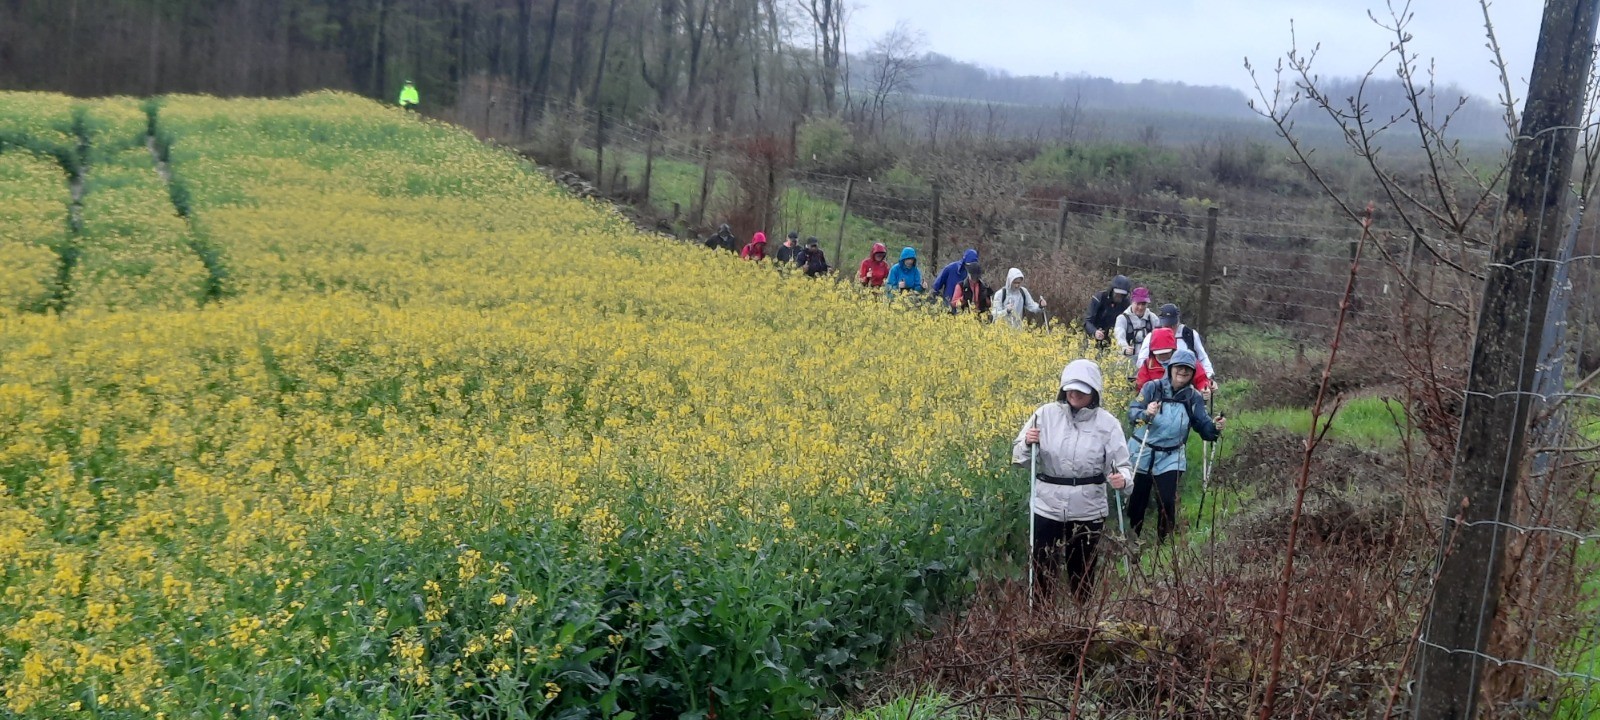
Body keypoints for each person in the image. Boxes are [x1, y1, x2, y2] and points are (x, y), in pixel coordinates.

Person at [1013, 359, 1134, 601]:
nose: (1075, 394)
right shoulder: (1044, 415)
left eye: (1082, 390)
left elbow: (1123, 465)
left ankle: (1082, 617)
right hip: (1047, 506)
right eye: (1070, 389)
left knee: (1082, 572)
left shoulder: (1108, 424)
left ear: (1094, 392)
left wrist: (1123, 479)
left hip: (1088, 508)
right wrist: (1027, 442)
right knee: (1042, 569)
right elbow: (1020, 458)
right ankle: (1042, 617)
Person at [1125, 349, 1224, 546]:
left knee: (1167, 501)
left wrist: (1214, 427)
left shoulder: (1193, 397)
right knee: (1137, 501)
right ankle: (1132, 542)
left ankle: (1163, 545)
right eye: (1179, 367)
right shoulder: (1152, 388)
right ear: (1170, 368)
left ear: (1192, 373)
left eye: (1188, 369)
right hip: (1142, 451)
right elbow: (1132, 413)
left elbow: (1203, 426)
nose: (1183, 372)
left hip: (1171, 456)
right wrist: (1146, 413)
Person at [1136, 303, 1216, 382]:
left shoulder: (1189, 334)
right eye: (1167, 326)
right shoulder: (1152, 336)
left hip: (1187, 378)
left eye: (1173, 326)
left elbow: (1202, 357)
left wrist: (1209, 376)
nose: (1170, 329)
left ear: (1178, 322)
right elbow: (1141, 361)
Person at [1135, 328, 1211, 394]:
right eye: (1159, 353)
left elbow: (1201, 379)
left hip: (1185, 399)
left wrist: (1204, 388)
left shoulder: (1187, 359)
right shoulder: (1148, 365)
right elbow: (1141, 386)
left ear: (1173, 349)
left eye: (1166, 352)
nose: (1163, 355)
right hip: (1156, 401)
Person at [1115, 287, 1160, 372]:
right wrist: (1124, 348)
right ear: (1132, 302)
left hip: (1148, 362)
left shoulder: (1153, 318)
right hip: (1127, 362)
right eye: (1138, 304)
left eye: (1143, 304)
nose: (1140, 307)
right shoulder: (1122, 318)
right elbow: (1119, 338)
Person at [1084, 275, 1132, 346]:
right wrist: (1094, 332)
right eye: (1117, 293)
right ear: (1112, 290)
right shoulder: (1099, 298)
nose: (1119, 296)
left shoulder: (1126, 304)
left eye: (1122, 294)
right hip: (1094, 339)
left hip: (1115, 341)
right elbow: (1087, 321)